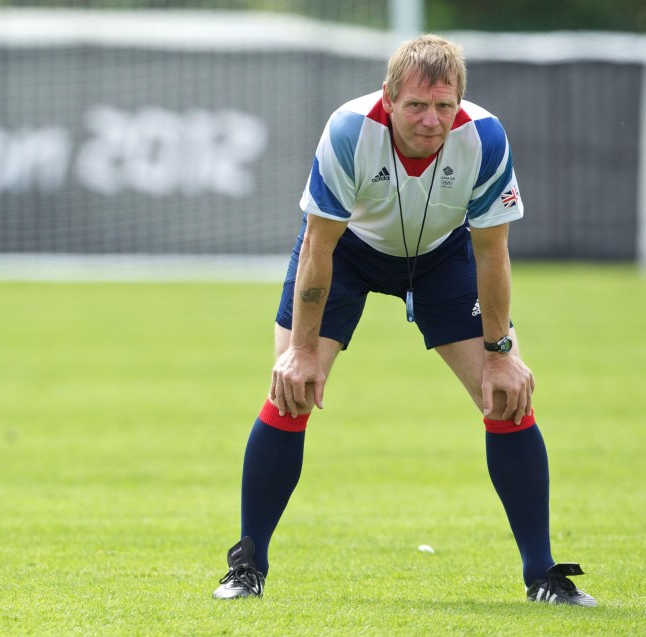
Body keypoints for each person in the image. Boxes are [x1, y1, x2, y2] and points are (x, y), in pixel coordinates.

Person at [211, 34, 595, 606]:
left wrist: (501, 349)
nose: (432, 120)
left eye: (444, 106)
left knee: (507, 398)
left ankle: (542, 576)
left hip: (442, 257)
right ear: (388, 98)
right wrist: (302, 350)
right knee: (291, 389)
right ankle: (247, 568)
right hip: (346, 252)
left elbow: (491, 251)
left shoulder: (484, 137)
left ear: (459, 103)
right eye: (417, 105)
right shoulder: (349, 130)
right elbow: (320, 243)